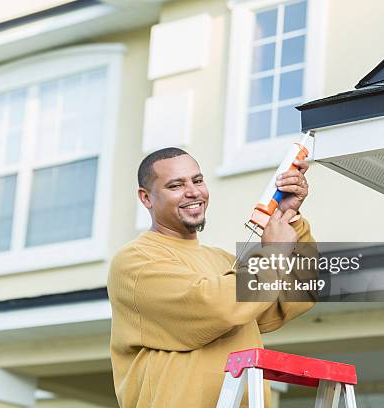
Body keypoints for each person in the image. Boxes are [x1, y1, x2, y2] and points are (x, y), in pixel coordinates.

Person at [107, 147, 316, 407]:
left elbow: (298, 295)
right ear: (146, 198)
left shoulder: (223, 261)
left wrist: (288, 217)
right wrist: (273, 254)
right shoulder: (135, 262)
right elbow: (216, 306)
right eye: (176, 185)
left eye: (197, 180)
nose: (193, 192)